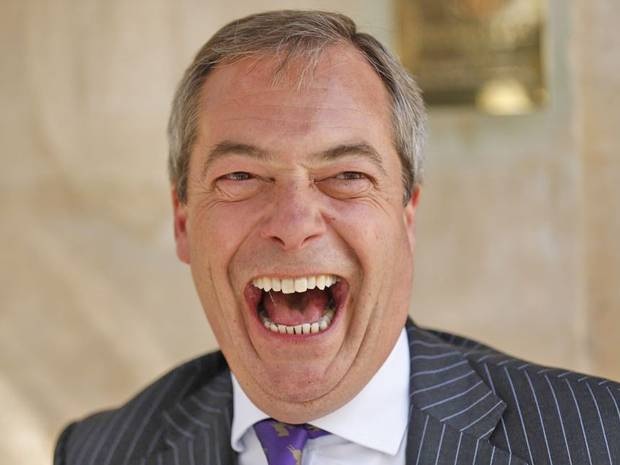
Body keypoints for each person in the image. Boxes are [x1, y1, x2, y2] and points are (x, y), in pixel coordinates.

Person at [54, 10, 620, 465]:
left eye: (347, 175)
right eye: (241, 176)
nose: (293, 224)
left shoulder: (599, 438)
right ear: (183, 221)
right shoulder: (98, 452)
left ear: (406, 216)